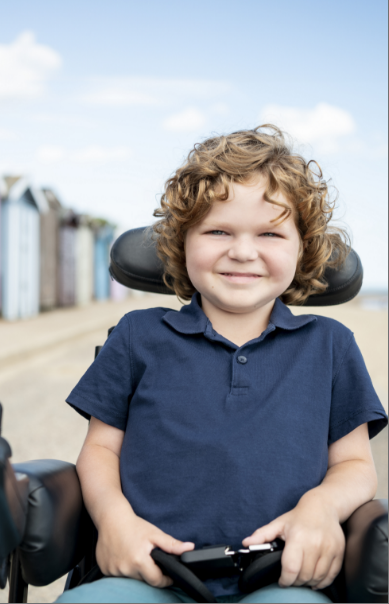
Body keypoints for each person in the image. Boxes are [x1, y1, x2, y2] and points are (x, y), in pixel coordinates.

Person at [56, 126, 387, 604]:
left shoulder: (331, 346)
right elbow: (100, 450)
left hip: (282, 577)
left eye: (270, 233)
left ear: (303, 247)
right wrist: (114, 522)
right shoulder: (137, 336)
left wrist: (321, 508)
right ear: (182, 240)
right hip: (148, 573)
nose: (243, 251)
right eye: (218, 231)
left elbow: (356, 466)